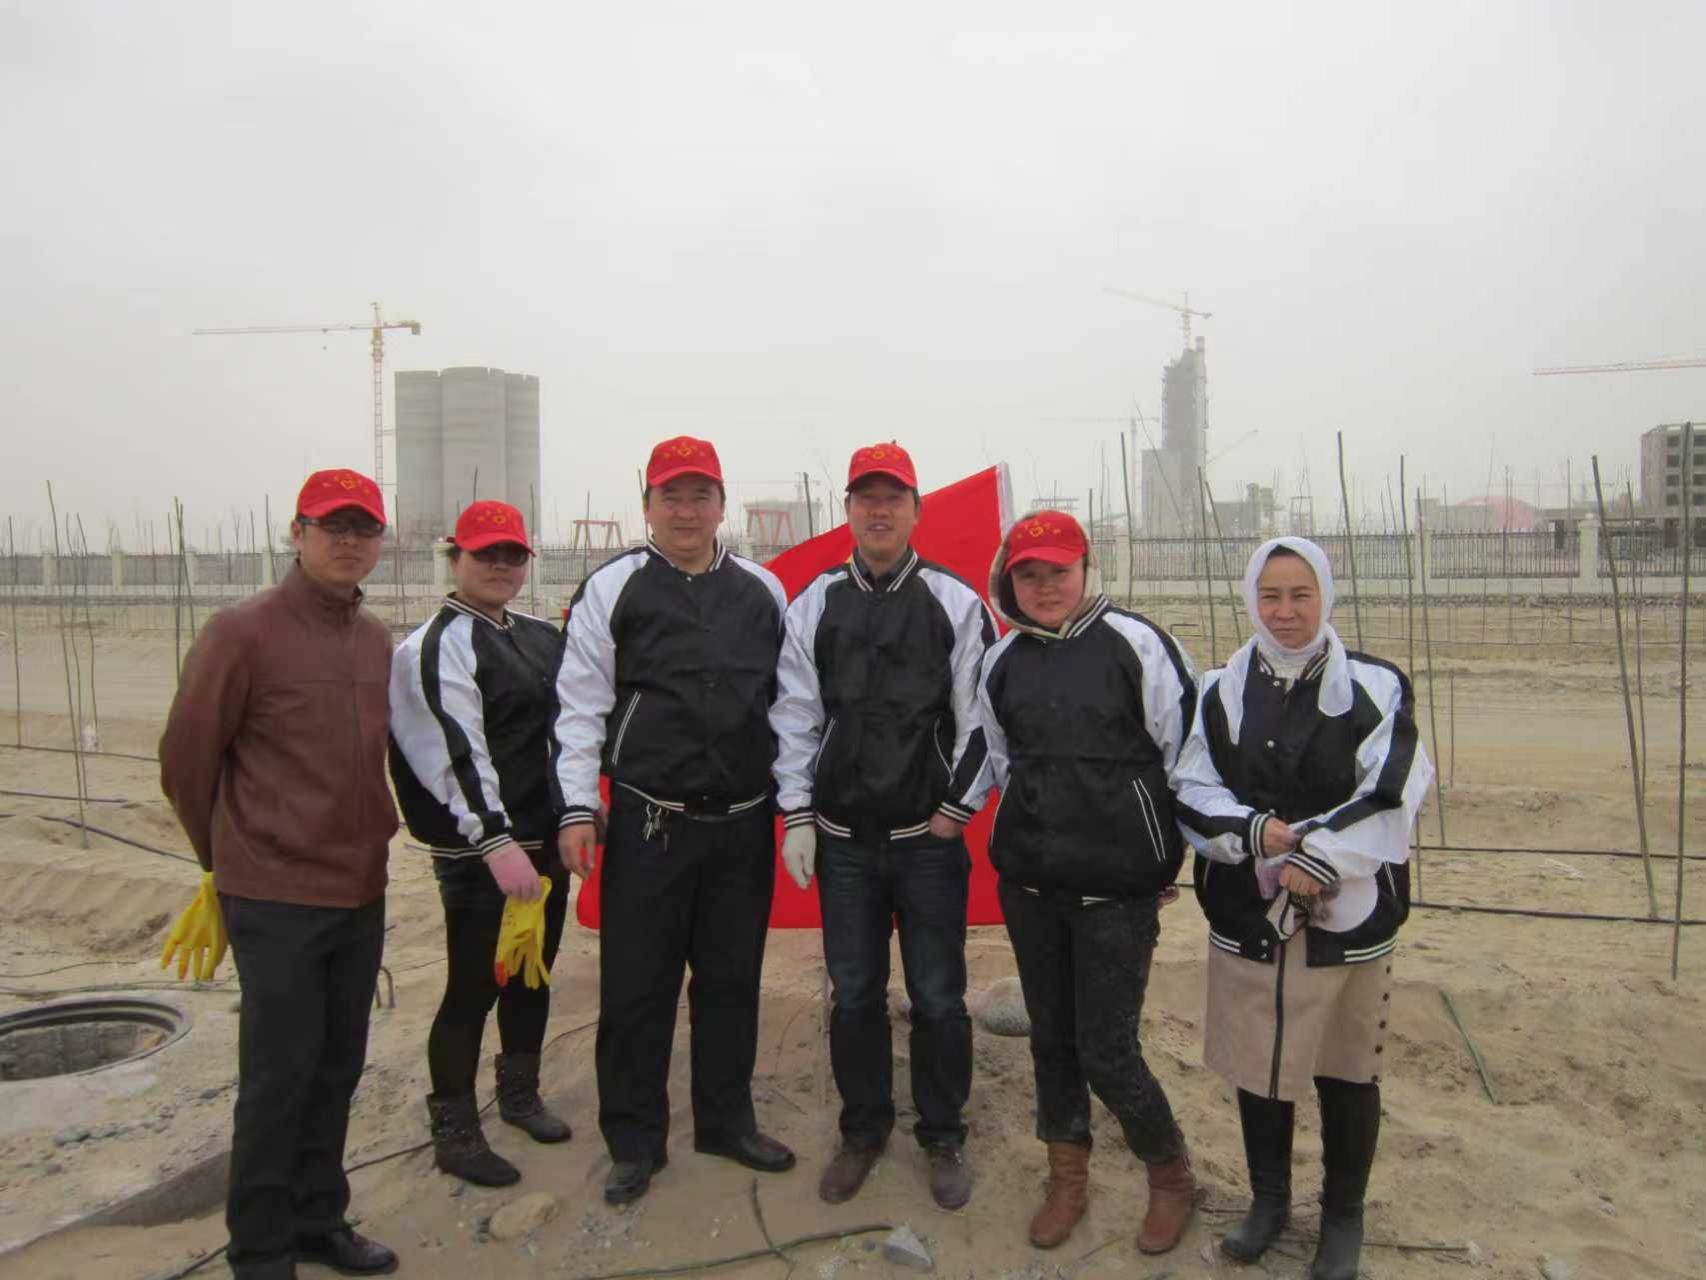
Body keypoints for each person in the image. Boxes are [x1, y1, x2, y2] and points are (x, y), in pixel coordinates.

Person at [159, 469, 400, 1280]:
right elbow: (186, 761)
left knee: (337, 1066)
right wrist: (225, 862)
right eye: (332, 526)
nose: (348, 542)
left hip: (359, 891)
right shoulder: (242, 633)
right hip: (276, 897)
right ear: (297, 534)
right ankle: (261, 1247)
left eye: (364, 529)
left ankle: (318, 1219)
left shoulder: (375, 640)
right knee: (277, 1078)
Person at [1174, 537, 1432, 1280]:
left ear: (1325, 596)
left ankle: (1343, 1214)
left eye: (1299, 595)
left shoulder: (1376, 687)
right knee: (1260, 1063)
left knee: (1346, 1068)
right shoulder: (1220, 689)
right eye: (1270, 596)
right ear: (1251, 600)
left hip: (1347, 911)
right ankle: (1269, 1201)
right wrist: (1254, 832)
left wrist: (1319, 855)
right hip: (1249, 909)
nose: (1284, 612)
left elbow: (1393, 787)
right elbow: (1192, 783)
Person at [551, 435, 796, 1205]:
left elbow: (792, 705)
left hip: (743, 824)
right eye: (671, 497)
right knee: (637, 987)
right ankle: (635, 1140)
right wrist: (577, 807)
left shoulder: (764, 590)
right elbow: (580, 704)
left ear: (722, 504)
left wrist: (798, 805)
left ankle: (725, 1122)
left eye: (700, 496)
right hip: (649, 824)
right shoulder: (613, 587)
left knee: (731, 980)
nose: (686, 512)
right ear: (647, 505)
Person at [770, 442, 995, 1209]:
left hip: (926, 842)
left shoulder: (955, 601)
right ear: (848, 510)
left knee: (938, 996)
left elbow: (980, 720)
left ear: (915, 509)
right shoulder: (815, 603)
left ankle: (943, 1134)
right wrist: (798, 815)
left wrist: (954, 811)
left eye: (893, 497)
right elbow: (795, 714)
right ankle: (863, 1130)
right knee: (856, 993)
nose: (878, 510)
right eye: (865, 497)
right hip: (844, 844)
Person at [975, 510, 1199, 1255]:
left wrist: (1162, 855)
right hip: (1033, 888)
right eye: (1029, 575)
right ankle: (1066, 1177)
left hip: (1116, 894)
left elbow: (1185, 757)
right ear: (1010, 580)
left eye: (1059, 572)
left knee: (1108, 1048)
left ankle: (1170, 1175)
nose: (1045, 587)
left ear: (1086, 568)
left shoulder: (1138, 644)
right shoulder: (1002, 661)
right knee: (1051, 1040)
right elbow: (998, 761)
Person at [389, 500, 572, 1188]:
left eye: (512, 555)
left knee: (533, 971)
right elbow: (452, 750)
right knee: (474, 986)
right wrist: (495, 841)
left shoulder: (538, 635)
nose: (500, 566)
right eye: (484, 554)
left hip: (543, 841)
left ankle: (520, 1093)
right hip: (481, 852)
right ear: (455, 558)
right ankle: (456, 1128)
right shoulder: (434, 647)